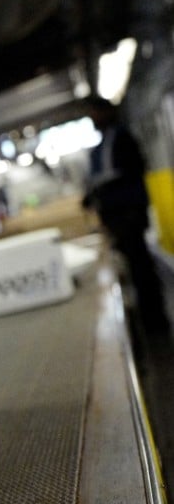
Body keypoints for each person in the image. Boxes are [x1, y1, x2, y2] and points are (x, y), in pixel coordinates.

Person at [83, 96, 171, 335]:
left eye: (95, 112)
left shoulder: (122, 138)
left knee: (141, 266)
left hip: (128, 216)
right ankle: (147, 317)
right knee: (133, 266)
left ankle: (156, 321)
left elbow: (131, 173)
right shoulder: (103, 145)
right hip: (116, 218)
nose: (92, 118)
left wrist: (132, 210)